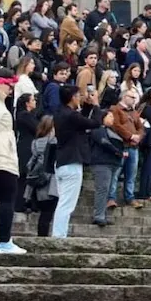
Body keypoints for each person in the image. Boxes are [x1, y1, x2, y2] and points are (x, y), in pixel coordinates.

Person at [52, 84, 103, 238]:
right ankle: (59, 236)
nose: (80, 97)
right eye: (78, 95)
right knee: (67, 204)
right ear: (72, 97)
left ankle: (60, 234)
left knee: (64, 201)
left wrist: (87, 105)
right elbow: (94, 123)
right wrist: (96, 105)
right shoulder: (71, 115)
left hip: (62, 161)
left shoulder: (60, 113)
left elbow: (81, 119)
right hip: (72, 162)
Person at [0, 83, 24, 254]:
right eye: (8, 85)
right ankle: (4, 241)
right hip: (2, 158)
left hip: (2, 157)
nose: (11, 89)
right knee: (8, 198)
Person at [88, 112, 124, 227]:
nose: (112, 119)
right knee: (102, 189)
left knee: (107, 189)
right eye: (110, 116)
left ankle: (102, 214)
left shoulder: (112, 131)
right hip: (101, 163)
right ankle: (98, 215)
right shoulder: (98, 130)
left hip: (112, 163)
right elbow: (104, 142)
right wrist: (117, 151)